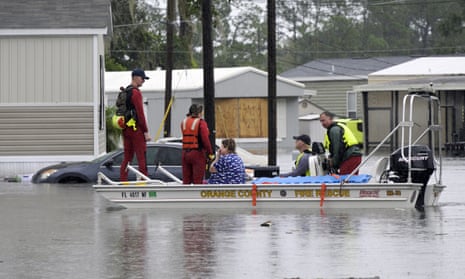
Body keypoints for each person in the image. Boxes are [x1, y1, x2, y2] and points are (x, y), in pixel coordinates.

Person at [120, 68, 151, 181]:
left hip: (125, 128)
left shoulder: (126, 91)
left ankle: (123, 180)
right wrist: (146, 131)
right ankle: (144, 181)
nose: (143, 81)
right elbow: (140, 113)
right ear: (135, 77)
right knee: (141, 156)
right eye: (142, 78)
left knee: (127, 157)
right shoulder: (136, 93)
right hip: (136, 129)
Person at [181, 104, 214, 184]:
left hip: (185, 153)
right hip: (197, 153)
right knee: (198, 181)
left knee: (186, 181)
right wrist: (210, 153)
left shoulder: (184, 122)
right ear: (199, 113)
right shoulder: (201, 123)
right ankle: (196, 196)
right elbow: (205, 140)